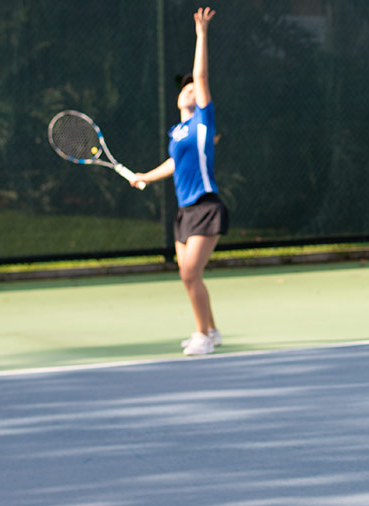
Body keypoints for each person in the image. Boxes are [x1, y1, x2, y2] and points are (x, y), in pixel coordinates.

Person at [132, 7, 227, 356]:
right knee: (189, 276)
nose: (189, 89)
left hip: (206, 206)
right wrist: (145, 176)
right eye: (184, 88)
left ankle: (202, 335)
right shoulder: (177, 132)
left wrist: (201, 34)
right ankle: (211, 329)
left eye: (193, 88)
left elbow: (200, 78)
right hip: (184, 211)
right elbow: (174, 163)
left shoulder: (203, 122)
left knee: (189, 274)